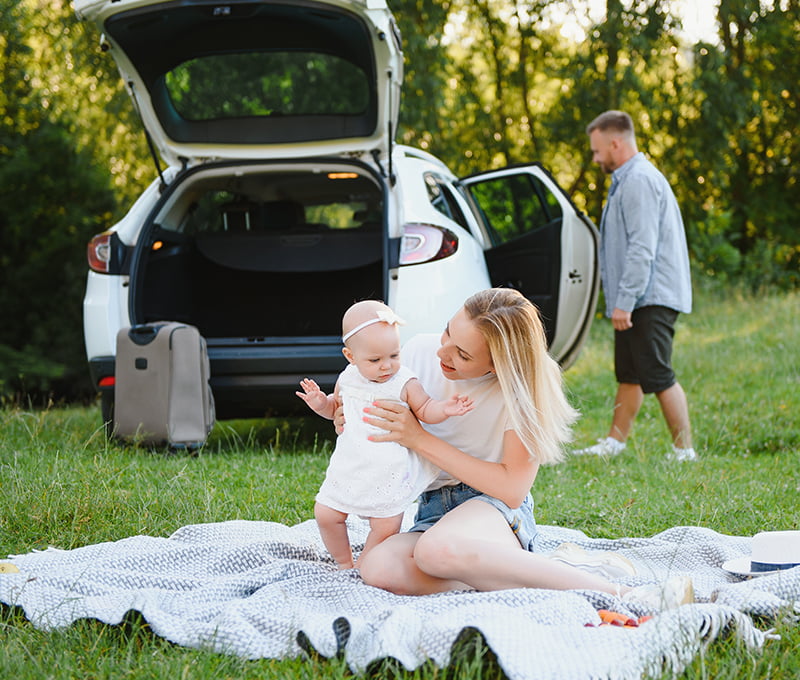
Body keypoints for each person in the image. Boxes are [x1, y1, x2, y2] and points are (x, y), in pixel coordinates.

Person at [348, 288, 693, 610]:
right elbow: (374, 415)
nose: (443, 352)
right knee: (378, 568)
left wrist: (420, 439)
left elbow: (511, 490)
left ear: (498, 365)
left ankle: (625, 595)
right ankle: (538, 572)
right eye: (448, 331)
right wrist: (352, 421)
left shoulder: (523, 393)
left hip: (493, 509)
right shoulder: (416, 354)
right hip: (434, 510)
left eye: (463, 355)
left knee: (435, 550)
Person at [297, 299, 474, 570]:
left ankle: (367, 561)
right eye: (375, 360)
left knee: (386, 523)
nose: (386, 366)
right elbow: (336, 409)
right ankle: (344, 561)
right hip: (351, 464)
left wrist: (446, 408)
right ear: (350, 357)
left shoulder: (404, 382)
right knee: (326, 513)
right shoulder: (347, 377)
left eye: (394, 355)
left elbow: (426, 409)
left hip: (387, 469)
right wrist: (321, 403)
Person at [576, 110, 697, 462]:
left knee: (658, 373)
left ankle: (684, 450)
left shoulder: (639, 181)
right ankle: (615, 441)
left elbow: (642, 249)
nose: (596, 158)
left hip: (649, 296)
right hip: (636, 296)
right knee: (630, 373)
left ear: (616, 142)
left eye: (598, 151)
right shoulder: (625, 181)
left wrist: (625, 301)